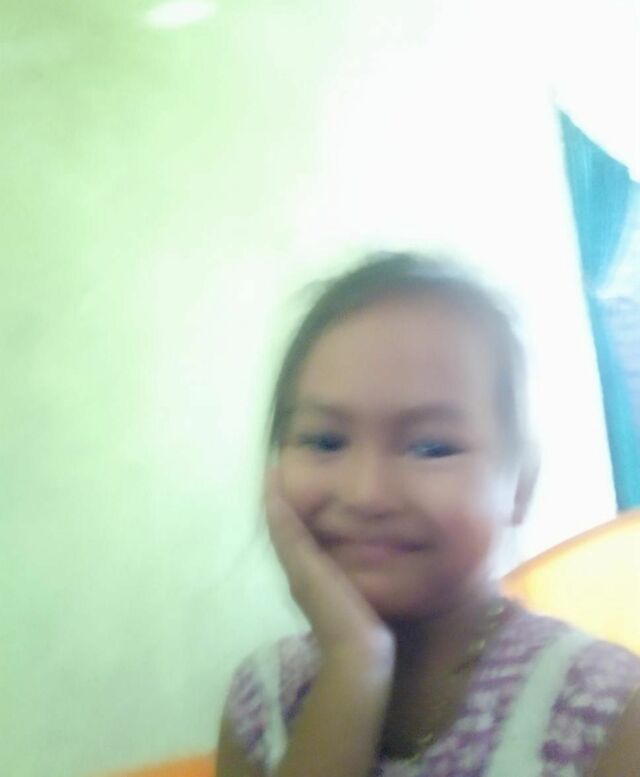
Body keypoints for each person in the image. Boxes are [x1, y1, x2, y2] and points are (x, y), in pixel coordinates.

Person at [217, 251, 640, 777]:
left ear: (520, 485)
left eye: (432, 448)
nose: (366, 493)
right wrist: (354, 663)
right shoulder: (262, 700)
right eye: (325, 441)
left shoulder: (605, 711)